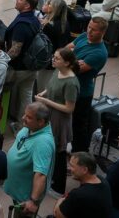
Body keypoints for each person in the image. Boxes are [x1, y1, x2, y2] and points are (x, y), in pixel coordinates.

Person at [33, 47, 79, 194]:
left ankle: (58, 186)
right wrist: (44, 93)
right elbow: (51, 86)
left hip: (60, 119)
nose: (53, 60)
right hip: (50, 115)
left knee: (59, 152)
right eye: (54, 57)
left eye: (57, 58)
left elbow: (69, 108)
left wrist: (45, 101)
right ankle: (48, 176)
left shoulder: (71, 83)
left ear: (67, 63)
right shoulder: (58, 71)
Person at [3, 102, 55, 217]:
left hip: (26, 200)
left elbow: (41, 175)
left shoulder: (43, 143)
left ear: (41, 122)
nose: (23, 118)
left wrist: (33, 201)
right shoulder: (32, 127)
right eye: (24, 114)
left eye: (28, 117)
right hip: (18, 191)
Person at [69, 17, 109, 157]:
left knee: (78, 127)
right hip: (70, 88)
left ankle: (79, 156)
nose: (89, 31)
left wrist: (69, 60)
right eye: (89, 27)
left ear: (102, 32)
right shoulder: (83, 36)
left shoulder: (99, 53)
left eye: (94, 29)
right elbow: (65, 51)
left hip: (82, 93)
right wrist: (72, 60)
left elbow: (74, 69)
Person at [4, 0, 42, 132]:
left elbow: (15, 50)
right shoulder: (35, 20)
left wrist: (2, 61)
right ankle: (25, 127)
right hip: (31, 67)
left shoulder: (21, 25)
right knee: (26, 96)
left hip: (18, 69)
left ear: (27, 5)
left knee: (2, 91)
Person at [53, 152, 113, 218]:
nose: (69, 168)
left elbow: (58, 215)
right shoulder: (103, 181)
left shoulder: (78, 194)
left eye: (72, 166)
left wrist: (59, 201)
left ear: (84, 170)